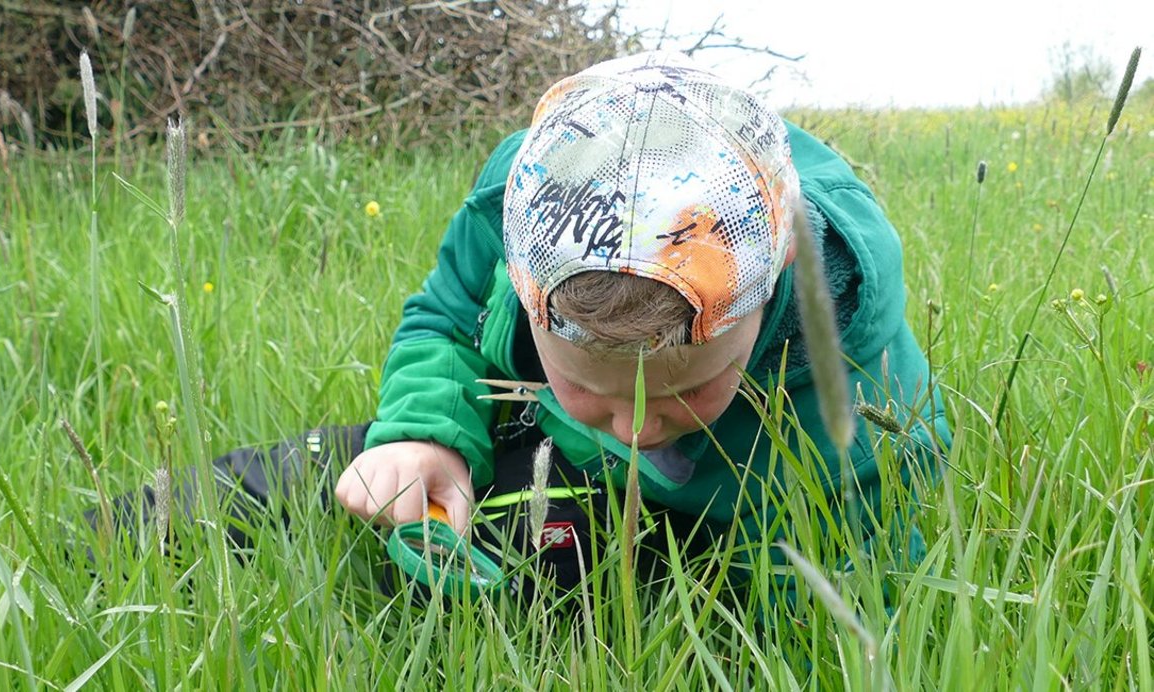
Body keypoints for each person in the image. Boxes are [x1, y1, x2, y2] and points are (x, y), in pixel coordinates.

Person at [92, 51, 950, 598]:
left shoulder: (857, 386)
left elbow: (853, 589)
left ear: (775, 289)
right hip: (537, 443)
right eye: (590, 386)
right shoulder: (521, 195)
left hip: (702, 532)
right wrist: (425, 433)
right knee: (329, 481)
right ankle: (87, 548)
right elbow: (445, 318)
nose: (634, 426)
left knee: (536, 589)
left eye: (686, 389)